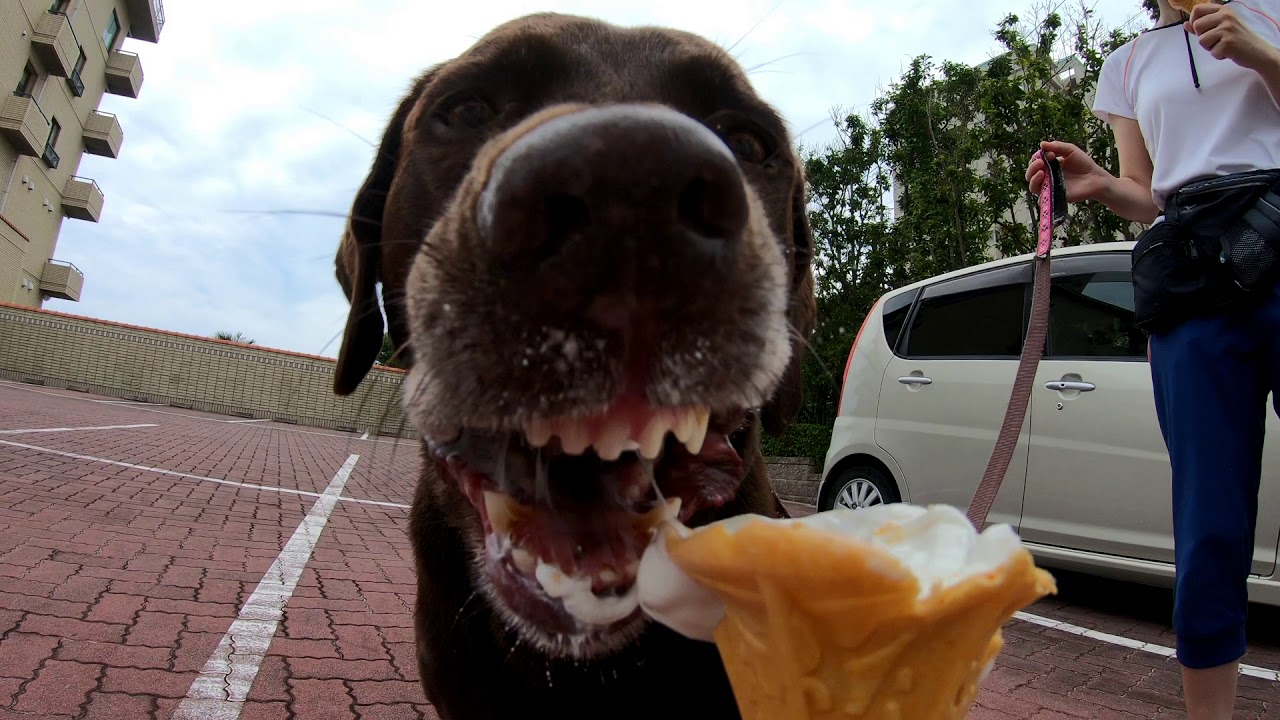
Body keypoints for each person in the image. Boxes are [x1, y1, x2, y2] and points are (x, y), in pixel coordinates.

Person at [1024, 0, 1280, 717]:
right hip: (1197, 275)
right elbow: (1148, 190)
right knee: (1208, 518)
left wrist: (1261, 55)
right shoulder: (1128, 62)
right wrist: (1101, 183)